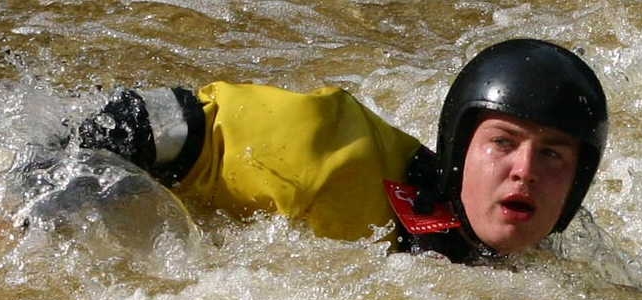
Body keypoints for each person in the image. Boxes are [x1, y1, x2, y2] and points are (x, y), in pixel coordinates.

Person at [74, 38, 609, 263]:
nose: (525, 172)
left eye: (554, 155)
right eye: (503, 143)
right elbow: (150, 121)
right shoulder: (333, 156)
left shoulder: (560, 270)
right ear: (458, 148)